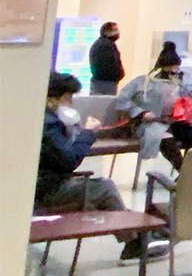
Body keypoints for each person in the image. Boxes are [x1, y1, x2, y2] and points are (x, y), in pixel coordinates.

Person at [39, 72, 168, 262]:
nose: (71, 104)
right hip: (47, 190)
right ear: (53, 98)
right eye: (68, 98)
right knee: (104, 189)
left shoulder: (43, 121)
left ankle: (137, 236)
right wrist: (87, 134)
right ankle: (135, 241)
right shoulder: (48, 125)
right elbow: (69, 159)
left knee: (101, 189)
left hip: (45, 183)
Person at [114, 45, 192, 170]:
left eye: (177, 70)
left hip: (175, 122)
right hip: (150, 124)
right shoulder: (142, 82)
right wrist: (141, 113)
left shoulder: (181, 83)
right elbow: (123, 100)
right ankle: (184, 172)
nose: (174, 74)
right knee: (167, 141)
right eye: (171, 71)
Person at [88, 21, 124, 95]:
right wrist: (119, 74)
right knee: (104, 104)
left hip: (101, 82)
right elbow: (110, 65)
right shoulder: (106, 46)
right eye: (115, 30)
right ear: (108, 32)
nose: (118, 32)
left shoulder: (100, 43)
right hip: (106, 84)